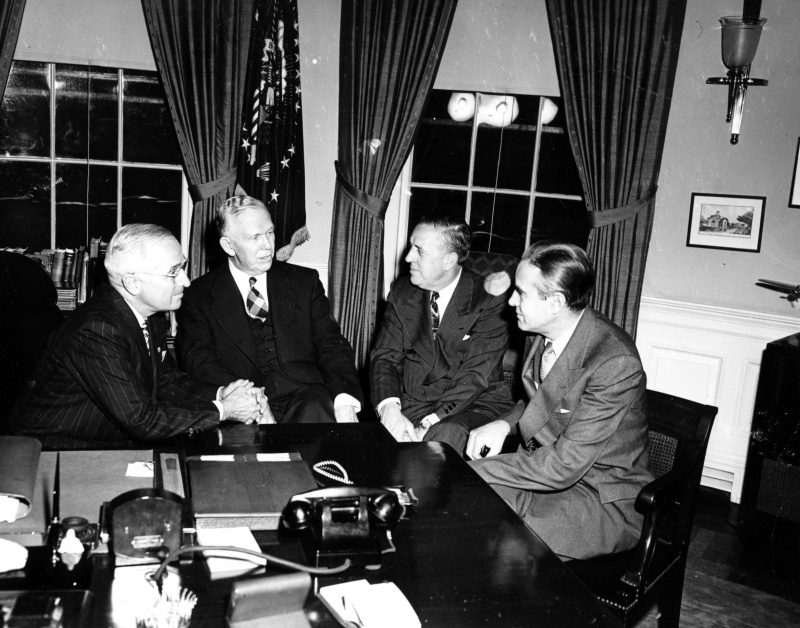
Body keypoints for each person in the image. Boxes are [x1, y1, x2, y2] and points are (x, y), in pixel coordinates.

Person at [465, 240, 653, 560]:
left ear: (555, 302)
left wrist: (474, 470)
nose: (511, 301)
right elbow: (545, 399)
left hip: (599, 497)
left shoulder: (613, 362)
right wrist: (502, 424)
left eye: (521, 293)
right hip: (544, 474)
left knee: (509, 550)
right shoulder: (539, 331)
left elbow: (564, 467)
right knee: (465, 513)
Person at [10, 224, 265, 450]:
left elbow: (165, 380)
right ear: (132, 283)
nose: (186, 281)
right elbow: (141, 419)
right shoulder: (96, 330)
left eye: (183, 267)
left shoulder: (149, 314)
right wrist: (226, 410)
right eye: (173, 272)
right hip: (57, 451)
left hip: (108, 441)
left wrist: (221, 394)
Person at [176, 195, 362, 423]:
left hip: (307, 397)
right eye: (255, 237)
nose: (268, 245)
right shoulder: (198, 294)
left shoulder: (305, 281)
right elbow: (199, 361)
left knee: (319, 419)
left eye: (270, 233)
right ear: (228, 245)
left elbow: (332, 346)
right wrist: (249, 399)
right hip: (243, 403)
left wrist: (345, 402)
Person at [370, 213, 513, 452]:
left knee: (443, 438)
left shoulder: (488, 299)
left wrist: (429, 422)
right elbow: (385, 356)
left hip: (472, 404)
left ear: (449, 260)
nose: (408, 258)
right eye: (410, 247)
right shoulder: (402, 290)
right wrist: (390, 409)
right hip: (413, 400)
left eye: (419, 251)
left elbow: (476, 375)